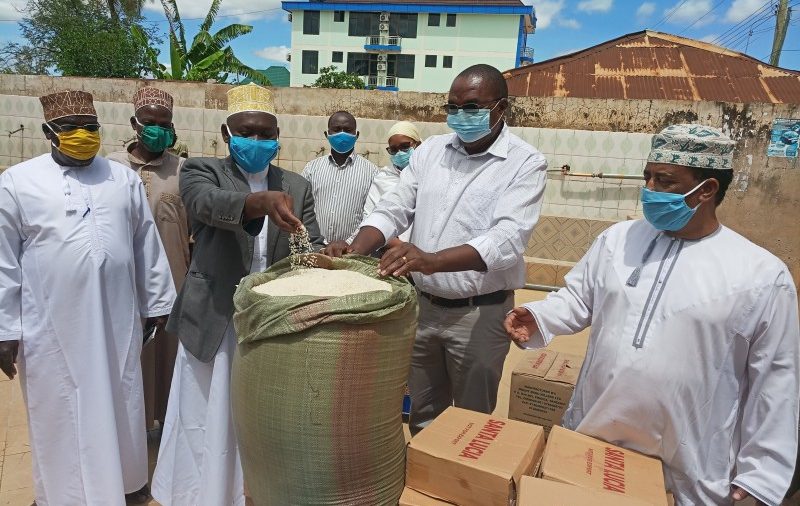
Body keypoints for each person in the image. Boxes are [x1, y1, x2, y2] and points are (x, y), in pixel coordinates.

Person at [505, 124, 800, 506]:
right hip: (594, 441)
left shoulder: (761, 275)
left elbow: (776, 380)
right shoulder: (618, 239)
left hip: (688, 464)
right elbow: (580, 298)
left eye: (665, 181)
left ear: (707, 189)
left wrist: (763, 475)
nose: (649, 190)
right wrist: (540, 315)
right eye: (647, 176)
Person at [324, 64, 548, 435]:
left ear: (501, 108)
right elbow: (395, 206)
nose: (460, 116)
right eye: (453, 106)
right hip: (424, 309)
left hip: (479, 315)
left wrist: (431, 261)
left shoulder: (525, 163)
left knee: (472, 424)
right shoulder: (430, 151)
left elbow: (508, 239)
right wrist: (354, 248)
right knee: (423, 414)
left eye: (472, 107)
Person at [151, 83, 324, 506]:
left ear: (278, 136)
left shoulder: (297, 185)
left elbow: (313, 240)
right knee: (205, 413)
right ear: (227, 135)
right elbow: (206, 205)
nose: (257, 141)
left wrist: (326, 253)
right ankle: (199, 495)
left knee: (260, 415)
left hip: (270, 319)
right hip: (215, 317)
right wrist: (257, 203)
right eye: (247, 133)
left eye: (266, 134)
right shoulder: (200, 170)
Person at [0, 90, 175, 505]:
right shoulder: (17, 182)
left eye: (90, 127)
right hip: (51, 325)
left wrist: (157, 302)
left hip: (117, 317)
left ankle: (127, 482)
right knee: (60, 407)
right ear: (48, 132)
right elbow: (3, 259)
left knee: (122, 396)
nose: (82, 135)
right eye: (70, 128)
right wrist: (6, 328)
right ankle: (64, 495)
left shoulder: (122, 178)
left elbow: (144, 242)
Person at [108, 87, 189, 431]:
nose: (158, 129)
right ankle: (130, 429)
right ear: (134, 124)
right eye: (151, 122)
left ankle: (167, 426)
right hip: (123, 285)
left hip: (174, 282)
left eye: (165, 123)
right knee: (127, 359)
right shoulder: (109, 168)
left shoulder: (186, 171)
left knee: (170, 359)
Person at [301, 111, 378, 243]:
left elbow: (372, 214)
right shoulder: (311, 169)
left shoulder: (372, 172)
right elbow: (302, 207)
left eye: (348, 130)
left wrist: (349, 243)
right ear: (327, 134)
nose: (342, 134)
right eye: (336, 130)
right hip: (316, 247)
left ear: (356, 135)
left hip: (353, 250)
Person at [348, 120, 422, 244]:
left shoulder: (430, 176)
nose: (399, 153)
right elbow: (371, 216)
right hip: (386, 248)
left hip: (424, 252)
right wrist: (394, 243)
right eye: (393, 150)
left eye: (405, 147)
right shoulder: (383, 178)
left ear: (418, 144)